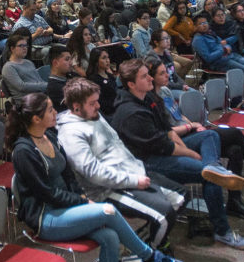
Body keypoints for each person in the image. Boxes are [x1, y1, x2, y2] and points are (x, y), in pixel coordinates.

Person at [10, 93, 185, 262]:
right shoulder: (23, 151)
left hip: (66, 208)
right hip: (46, 217)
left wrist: (81, 196)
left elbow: (69, 176)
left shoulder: (50, 136)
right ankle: (148, 255)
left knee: (110, 236)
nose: (56, 114)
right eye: (51, 110)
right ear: (35, 118)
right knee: (108, 210)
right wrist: (83, 201)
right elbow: (48, 194)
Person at [111, 59, 244, 250]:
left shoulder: (148, 98)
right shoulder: (130, 113)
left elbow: (168, 130)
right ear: (131, 84)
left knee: (209, 135)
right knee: (209, 176)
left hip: (164, 147)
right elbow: (163, 146)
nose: (150, 78)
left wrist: (187, 147)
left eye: (148, 74)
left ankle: (214, 166)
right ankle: (223, 232)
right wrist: (190, 154)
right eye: (144, 76)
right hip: (149, 161)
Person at [146, 56, 244, 220]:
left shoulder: (165, 91)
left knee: (235, 150)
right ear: (152, 77)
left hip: (191, 132)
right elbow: (167, 132)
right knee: (234, 134)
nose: (168, 76)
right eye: (162, 73)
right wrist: (190, 127)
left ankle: (235, 202)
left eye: (166, 72)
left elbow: (179, 115)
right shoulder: (151, 102)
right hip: (180, 141)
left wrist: (193, 123)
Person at [57, 78, 185, 249]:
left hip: (132, 171)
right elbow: (94, 173)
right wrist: (133, 180)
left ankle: (140, 239)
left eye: (97, 101)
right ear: (76, 107)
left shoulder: (92, 114)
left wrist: (135, 172)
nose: (98, 106)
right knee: (164, 213)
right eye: (92, 103)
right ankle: (151, 251)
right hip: (108, 190)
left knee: (181, 196)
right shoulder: (71, 133)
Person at [0, 33, 47, 100]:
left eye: (26, 45)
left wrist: (48, 86)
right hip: (25, 101)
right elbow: (21, 87)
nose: (25, 48)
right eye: (21, 46)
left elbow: (39, 80)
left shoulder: (28, 62)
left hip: (39, 97)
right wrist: (46, 86)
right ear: (12, 48)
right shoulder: (8, 67)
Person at [85, 47, 117, 118]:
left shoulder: (110, 76)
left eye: (108, 57)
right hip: (108, 114)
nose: (107, 60)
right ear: (96, 61)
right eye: (104, 58)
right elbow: (100, 102)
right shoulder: (93, 80)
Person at [45, 45, 75, 111]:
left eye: (71, 59)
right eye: (67, 59)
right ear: (55, 63)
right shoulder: (54, 88)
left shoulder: (71, 75)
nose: (71, 63)